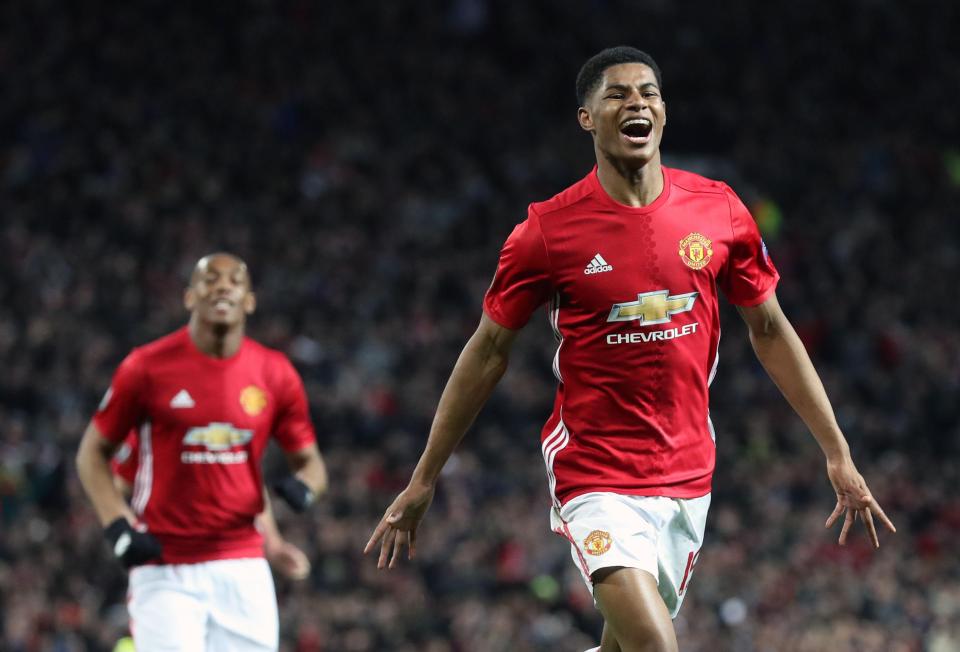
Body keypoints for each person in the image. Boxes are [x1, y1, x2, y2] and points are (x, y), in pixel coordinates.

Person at [365, 47, 896, 652]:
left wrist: (837, 452)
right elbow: (487, 353)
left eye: (648, 92)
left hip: (688, 473)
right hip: (595, 473)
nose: (636, 102)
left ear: (664, 113)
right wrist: (424, 478)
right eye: (616, 94)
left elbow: (771, 332)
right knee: (654, 645)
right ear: (587, 118)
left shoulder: (718, 210)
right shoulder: (547, 232)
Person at [76, 252, 327, 652]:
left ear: (249, 300)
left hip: (243, 566)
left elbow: (304, 464)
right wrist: (119, 526)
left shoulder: (275, 373)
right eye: (210, 279)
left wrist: (301, 496)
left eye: (235, 281)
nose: (223, 286)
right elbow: (92, 454)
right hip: (165, 566)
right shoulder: (146, 368)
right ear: (190, 296)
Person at [111, 432, 312, 581]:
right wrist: (127, 533)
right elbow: (117, 486)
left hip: (236, 563)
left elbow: (248, 481)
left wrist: (274, 545)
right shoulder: (155, 412)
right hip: (170, 567)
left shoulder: (235, 410)